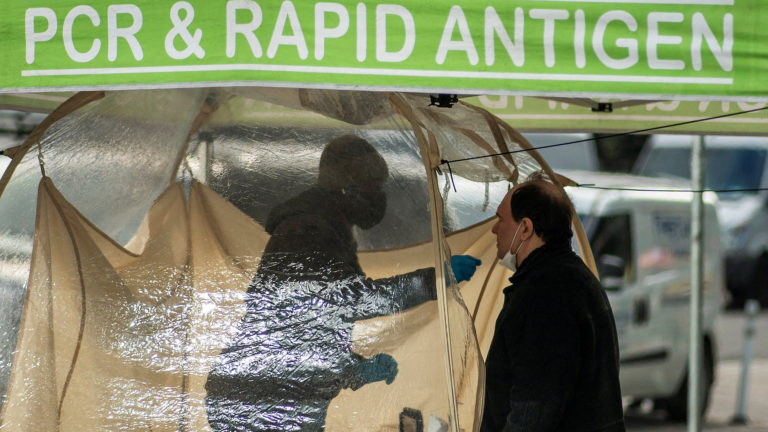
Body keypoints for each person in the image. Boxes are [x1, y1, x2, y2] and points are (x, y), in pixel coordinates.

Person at [205, 134, 480, 432]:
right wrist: (435, 279)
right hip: (263, 398)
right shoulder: (310, 230)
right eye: (373, 186)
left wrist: (354, 369)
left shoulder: (324, 227)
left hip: (270, 393)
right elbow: (352, 300)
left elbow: (309, 327)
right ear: (348, 188)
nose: (380, 196)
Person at [480, 171, 625, 432]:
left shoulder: (544, 295)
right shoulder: (576, 278)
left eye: (501, 219)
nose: (494, 228)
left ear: (525, 228)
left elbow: (532, 407)